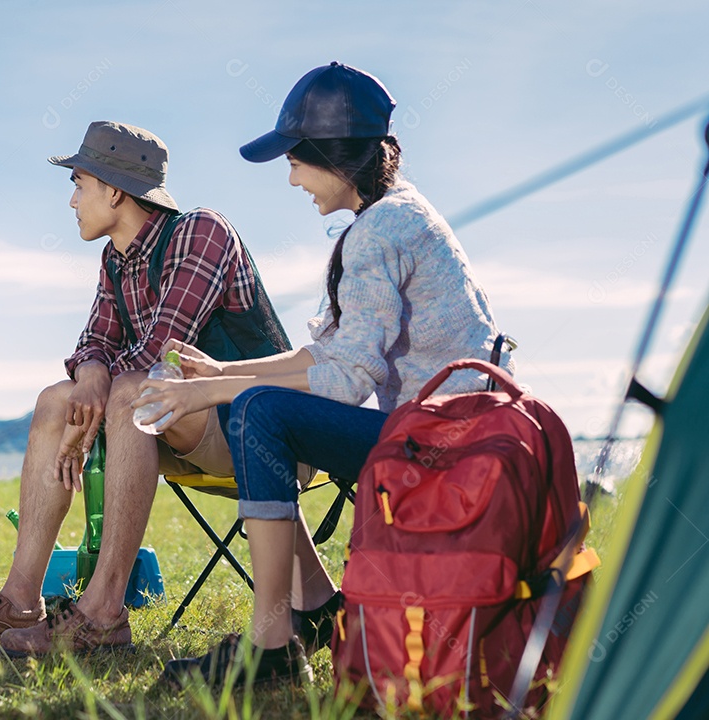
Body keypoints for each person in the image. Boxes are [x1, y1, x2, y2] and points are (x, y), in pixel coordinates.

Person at [137, 63, 513, 688]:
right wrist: (222, 369)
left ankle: (272, 646)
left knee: (258, 411)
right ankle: (311, 611)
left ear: (331, 157)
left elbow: (346, 378)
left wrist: (210, 390)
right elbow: (337, 351)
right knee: (255, 403)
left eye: (295, 160)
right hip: (453, 432)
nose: (290, 178)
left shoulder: (378, 231)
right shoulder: (397, 215)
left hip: (441, 446)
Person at [0, 121, 297, 657]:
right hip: (172, 424)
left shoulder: (202, 231)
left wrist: (101, 376)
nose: (72, 200)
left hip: (259, 431)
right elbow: (93, 343)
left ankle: (103, 612)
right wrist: (91, 372)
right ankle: (20, 597)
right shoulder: (116, 259)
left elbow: (159, 358)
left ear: (115, 191)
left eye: (79, 184)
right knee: (57, 398)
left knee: (127, 389)